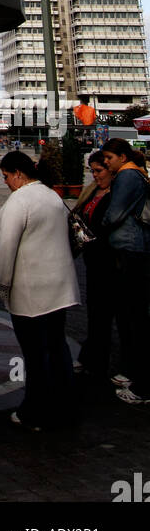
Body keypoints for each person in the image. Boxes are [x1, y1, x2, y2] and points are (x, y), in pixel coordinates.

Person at [0, 151, 79, 431]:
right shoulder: (51, 195)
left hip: (30, 290)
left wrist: (1, 285)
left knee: (34, 354)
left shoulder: (20, 200)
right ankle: (65, 406)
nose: (5, 182)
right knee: (57, 347)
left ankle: (35, 411)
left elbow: (7, 248)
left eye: (6, 176)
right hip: (59, 287)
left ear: (18, 173)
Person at [100, 138, 150, 404]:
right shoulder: (134, 174)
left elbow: (116, 212)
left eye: (108, 158)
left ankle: (142, 382)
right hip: (133, 247)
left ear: (121, 156)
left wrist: (100, 226)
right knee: (133, 315)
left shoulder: (128, 176)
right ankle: (134, 371)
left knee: (135, 316)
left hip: (130, 248)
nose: (106, 163)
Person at [73, 151, 114, 380]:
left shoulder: (116, 194)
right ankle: (92, 355)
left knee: (104, 312)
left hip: (108, 260)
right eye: (92, 171)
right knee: (96, 311)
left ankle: (98, 359)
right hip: (92, 260)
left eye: (99, 171)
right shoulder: (92, 191)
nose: (95, 176)